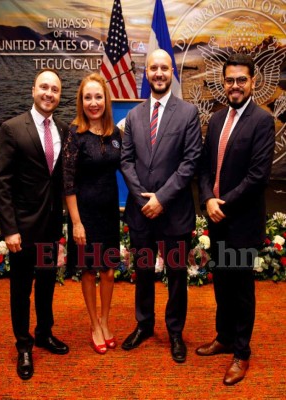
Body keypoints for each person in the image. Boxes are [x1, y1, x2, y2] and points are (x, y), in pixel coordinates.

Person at [197, 53, 275, 385]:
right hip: (217, 222)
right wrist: (207, 199)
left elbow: (257, 176)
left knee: (241, 290)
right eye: (230, 80)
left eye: (241, 79)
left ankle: (241, 353)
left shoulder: (262, 120)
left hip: (241, 224)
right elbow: (203, 169)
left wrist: (221, 203)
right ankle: (224, 336)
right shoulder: (216, 120)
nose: (235, 86)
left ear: (253, 82)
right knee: (222, 284)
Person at [120, 49, 202, 363]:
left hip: (174, 213)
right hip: (142, 213)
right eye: (153, 67)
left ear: (172, 73)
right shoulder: (135, 115)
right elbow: (126, 161)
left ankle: (175, 331)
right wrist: (144, 198)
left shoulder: (188, 113)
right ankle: (144, 325)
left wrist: (161, 199)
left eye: (164, 68)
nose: (158, 73)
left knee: (176, 274)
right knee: (142, 271)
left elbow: (190, 161)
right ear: (147, 73)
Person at [0, 69, 69, 380]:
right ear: (33, 90)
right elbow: (3, 184)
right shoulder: (13, 129)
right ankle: (23, 345)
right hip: (22, 230)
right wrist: (9, 229)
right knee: (21, 289)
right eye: (44, 87)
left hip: (51, 226)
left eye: (54, 89)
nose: (49, 93)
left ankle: (44, 333)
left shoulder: (63, 130)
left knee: (48, 284)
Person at [63, 73, 121, 355]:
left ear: (106, 100)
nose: (94, 102)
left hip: (109, 213)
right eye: (88, 97)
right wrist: (76, 223)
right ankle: (93, 325)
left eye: (98, 96)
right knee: (88, 271)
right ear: (81, 101)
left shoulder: (115, 134)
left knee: (108, 271)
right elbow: (68, 181)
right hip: (83, 215)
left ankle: (105, 321)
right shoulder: (74, 134)